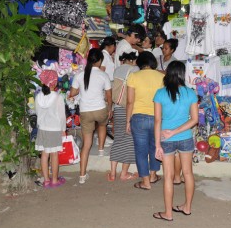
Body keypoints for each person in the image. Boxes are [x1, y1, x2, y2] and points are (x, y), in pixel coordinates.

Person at [153, 61, 199, 221]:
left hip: (166, 139)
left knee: (168, 176)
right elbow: (194, 120)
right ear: (182, 74)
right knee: (188, 173)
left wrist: (157, 144)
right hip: (185, 137)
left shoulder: (160, 93)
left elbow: (157, 121)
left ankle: (168, 213)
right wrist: (178, 131)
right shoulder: (191, 93)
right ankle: (187, 207)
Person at [69, 49, 112, 184]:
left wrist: (76, 91)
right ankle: (100, 149)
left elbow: (72, 92)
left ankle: (82, 175)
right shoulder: (103, 75)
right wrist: (109, 109)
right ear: (99, 61)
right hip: (100, 109)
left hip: (85, 112)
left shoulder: (80, 75)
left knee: (86, 144)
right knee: (103, 124)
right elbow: (109, 96)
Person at [126, 51, 164, 190]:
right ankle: (153, 175)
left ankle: (146, 182)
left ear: (140, 63)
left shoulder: (133, 77)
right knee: (155, 147)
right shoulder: (161, 77)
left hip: (138, 118)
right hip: (157, 118)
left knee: (141, 151)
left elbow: (130, 102)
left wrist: (127, 121)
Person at [108, 52, 140, 182]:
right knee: (129, 141)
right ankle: (124, 173)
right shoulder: (136, 70)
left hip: (117, 108)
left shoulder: (117, 70)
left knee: (118, 140)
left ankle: (112, 173)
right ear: (132, 60)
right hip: (129, 109)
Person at [35, 70, 66, 188]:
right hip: (54, 129)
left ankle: (46, 180)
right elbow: (61, 115)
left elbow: (38, 113)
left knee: (44, 154)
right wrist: (63, 129)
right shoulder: (57, 97)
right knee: (54, 155)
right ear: (54, 83)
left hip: (42, 128)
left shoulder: (38, 96)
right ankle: (54, 180)